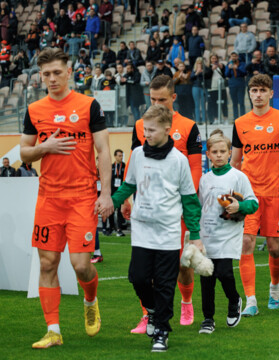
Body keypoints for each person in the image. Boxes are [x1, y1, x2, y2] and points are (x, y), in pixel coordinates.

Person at [20, 47, 113, 349]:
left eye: (57, 72)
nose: (51, 78)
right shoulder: (34, 110)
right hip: (49, 197)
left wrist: (106, 193)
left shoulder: (89, 106)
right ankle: (53, 330)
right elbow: (24, 153)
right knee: (47, 263)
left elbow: (103, 151)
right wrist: (44, 148)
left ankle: (90, 300)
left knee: (81, 265)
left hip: (82, 196)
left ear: (69, 71)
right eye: (46, 74)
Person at [110, 105, 202, 352]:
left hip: (168, 233)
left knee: (164, 284)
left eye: (151, 130)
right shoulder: (138, 154)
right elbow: (128, 186)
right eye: (144, 130)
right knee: (138, 278)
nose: (146, 134)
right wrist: (112, 201)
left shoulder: (179, 160)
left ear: (166, 129)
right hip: (141, 230)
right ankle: (151, 311)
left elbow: (189, 200)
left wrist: (195, 235)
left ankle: (161, 330)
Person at [129, 75, 202, 332]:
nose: (157, 103)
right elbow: (135, 165)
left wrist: (183, 202)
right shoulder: (140, 125)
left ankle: (186, 301)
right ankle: (148, 315)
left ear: (173, 98)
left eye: (162, 99)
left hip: (175, 207)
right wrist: (130, 197)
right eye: (153, 99)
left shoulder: (189, 126)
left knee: (182, 263)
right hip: (148, 209)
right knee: (143, 269)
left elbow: (194, 168)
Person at [230, 74, 279, 316]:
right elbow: (235, 161)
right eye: (254, 90)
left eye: (262, 90)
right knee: (246, 242)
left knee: (274, 247)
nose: (257, 94)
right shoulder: (240, 123)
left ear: (271, 93)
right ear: (249, 94)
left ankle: (275, 288)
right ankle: (250, 300)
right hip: (249, 195)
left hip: (276, 193)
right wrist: (232, 196)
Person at [197, 133, 258, 333]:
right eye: (214, 152)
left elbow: (253, 204)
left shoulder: (238, 177)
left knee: (223, 272)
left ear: (230, 153)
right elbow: (199, 207)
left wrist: (239, 205)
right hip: (207, 235)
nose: (219, 155)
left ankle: (234, 300)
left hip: (228, 234)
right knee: (206, 278)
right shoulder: (204, 179)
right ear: (208, 154)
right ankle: (208, 319)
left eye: (223, 151)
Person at [102, 149, 126, 237]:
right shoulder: (111, 166)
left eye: (122, 156)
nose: (121, 157)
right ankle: (111, 227)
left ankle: (119, 229)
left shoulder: (124, 166)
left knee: (120, 211)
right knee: (111, 210)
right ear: (115, 156)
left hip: (121, 191)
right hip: (112, 191)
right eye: (119, 156)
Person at [226, 51, 247, 119]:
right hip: (232, 84)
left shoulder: (242, 64)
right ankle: (236, 118)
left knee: (241, 102)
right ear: (231, 57)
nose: (234, 57)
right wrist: (229, 69)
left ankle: (243, 117)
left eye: (235, 56)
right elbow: (226, 74)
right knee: (234, 103)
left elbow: (245, 72)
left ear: (237, 57)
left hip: (240, 83)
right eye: (232, 56)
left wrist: (237, 68)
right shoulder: (229, 64)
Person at [190, 57, 211, 124]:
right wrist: (197, 72)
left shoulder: (206, 69)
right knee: (197, 104)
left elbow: (209, 75)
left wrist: (203, 72)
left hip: (203, 87)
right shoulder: (194, 70)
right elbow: (191, 78)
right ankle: (198, 120)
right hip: (196, 87)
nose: (199, 64)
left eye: (201, 63)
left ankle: (204, 120)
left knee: (203, 104)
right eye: (198, 63)